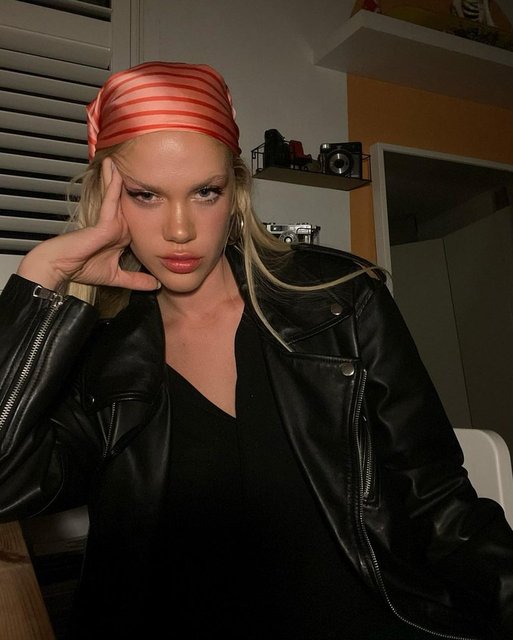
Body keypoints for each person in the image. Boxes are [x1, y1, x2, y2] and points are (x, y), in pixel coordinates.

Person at [0, 61, 512, 640]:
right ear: (109, 198)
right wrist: (40, 282)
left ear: (236, 191)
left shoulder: (342, 303)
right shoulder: (93, 349)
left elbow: (438, 501)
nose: (179, 229)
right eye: (146, 195)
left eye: (205, 192)